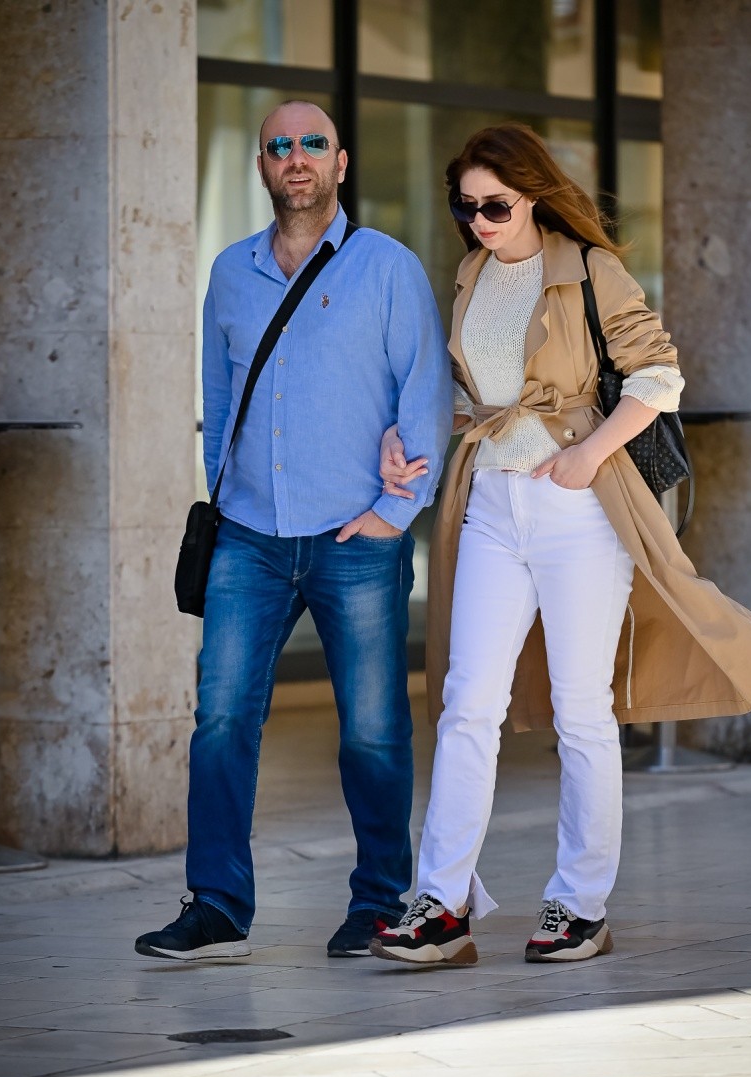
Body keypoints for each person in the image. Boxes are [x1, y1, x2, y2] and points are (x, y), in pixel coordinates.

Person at [369, 122, 751, 969]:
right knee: (466, 703)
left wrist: (588, 454)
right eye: (466, 207)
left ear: (533, 195)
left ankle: (580, 905)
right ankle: (442, 903)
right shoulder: (472, 274)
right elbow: (475, 391)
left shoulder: (590, 269)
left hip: (579, 510)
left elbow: (658, 374)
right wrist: (406, 433)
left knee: (581, 709)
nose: (480, 222)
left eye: (495, 206)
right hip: (492, 502)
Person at [135, 101, 453, 962]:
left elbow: (426, 395)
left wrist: (392, 518)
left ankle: (379, 902)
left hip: (358, 539)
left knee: (373, 729)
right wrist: (225, 497)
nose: (296, 157)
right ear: (264, 167)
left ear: (341, 163)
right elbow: (217, 398)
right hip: (248, 538)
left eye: (314, 144)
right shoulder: (230, 274)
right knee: (221, 720)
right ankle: (216, 906)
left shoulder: (387, 268)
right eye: (280, 146)